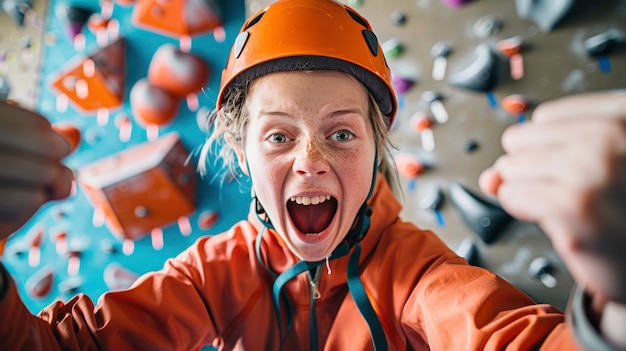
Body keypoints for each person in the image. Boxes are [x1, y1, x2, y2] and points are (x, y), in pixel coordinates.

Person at [1, 0, 625, 349]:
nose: (310, 161)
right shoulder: (216, 274)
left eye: (341, 133)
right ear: (241, 154)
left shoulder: (416, 274)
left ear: (374, 152)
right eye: (278, 135)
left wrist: (614, 314)